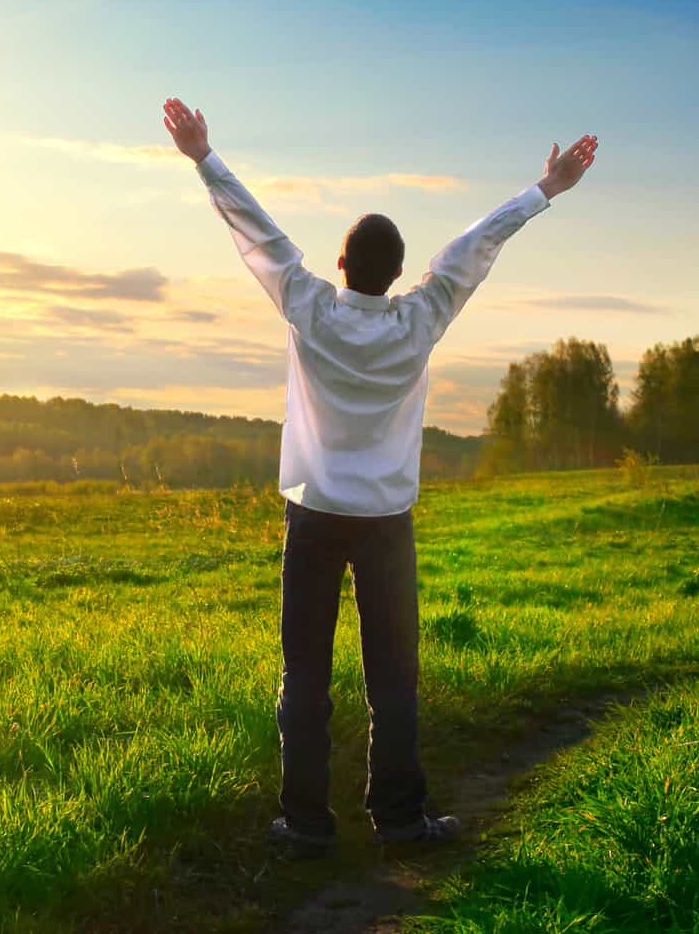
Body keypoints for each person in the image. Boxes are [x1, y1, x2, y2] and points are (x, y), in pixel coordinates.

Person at [161, 97, 598, 859]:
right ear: (400, 273)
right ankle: (398, 818)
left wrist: (205, 158)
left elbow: (259, 234)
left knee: (305, 675)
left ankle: (304, 824)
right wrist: (546, 189)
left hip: (315, 514)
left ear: (341, 265)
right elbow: (473, 247)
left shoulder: (310, 309)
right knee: (393, 679)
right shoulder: (421, 318)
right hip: (386, 523)